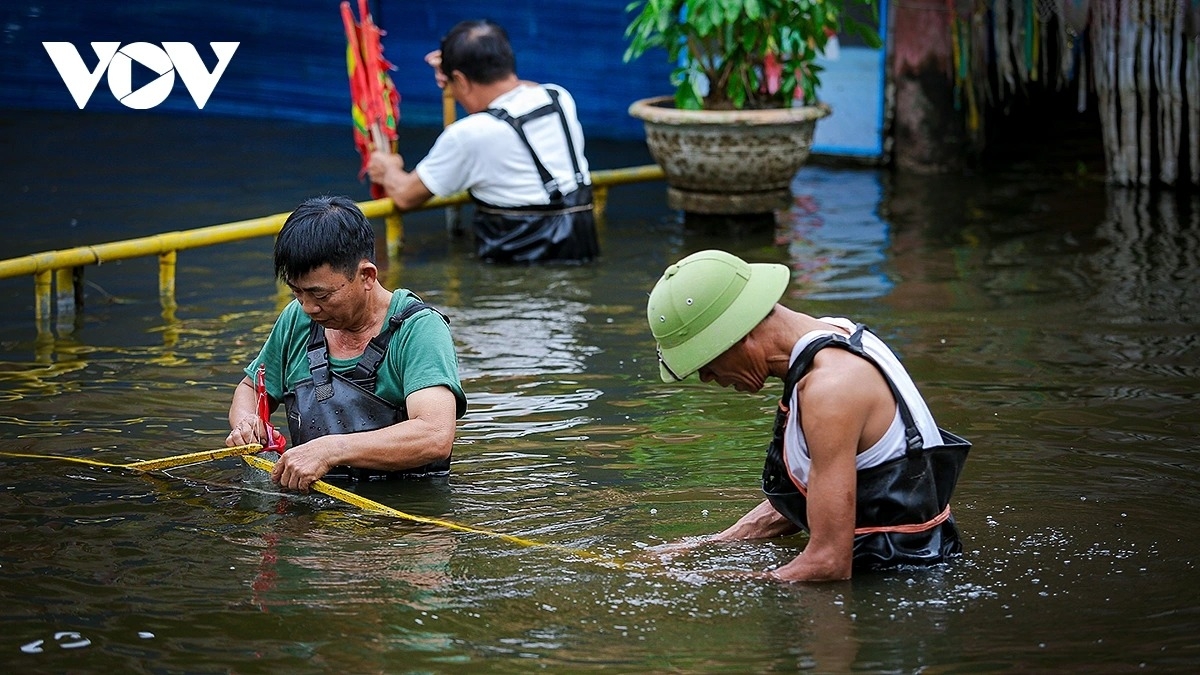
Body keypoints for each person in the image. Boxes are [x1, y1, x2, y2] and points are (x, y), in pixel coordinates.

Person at [646, 250, 970, 581]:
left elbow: (829, 563)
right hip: (926, 562)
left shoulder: (830, 390)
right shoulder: (837, 334)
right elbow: (831, 493)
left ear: (738, 333)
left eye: (704, 361)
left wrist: (703, 579)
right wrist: (707, 545)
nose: (706, 377)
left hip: (902, 584)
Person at [226, 195, 467, 492]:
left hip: (402, 508)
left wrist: (331, 450)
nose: (308, 308)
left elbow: (435, 435)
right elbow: (250, 388)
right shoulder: (296, 320)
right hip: (314, 502)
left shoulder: (419, 330)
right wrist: (247, 423)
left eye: (321, 295)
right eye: (297, 293)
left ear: (366, 276)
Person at [366, 19, 599, 264]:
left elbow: (404, 195)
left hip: (516, 270)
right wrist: (455, 74)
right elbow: (523, 92)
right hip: (580, 249)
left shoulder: (469, 134)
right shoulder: (559, 98)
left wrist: (387, 167)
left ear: (461, 80)